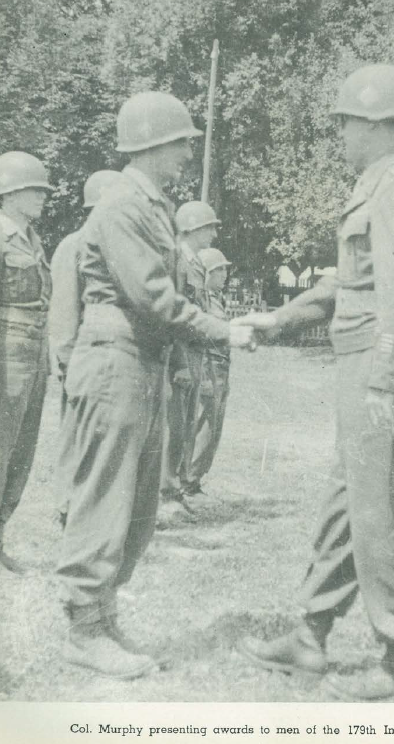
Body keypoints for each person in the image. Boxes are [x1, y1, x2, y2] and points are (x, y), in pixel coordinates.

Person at [234, 64, 394, 701]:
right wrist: (278, 318)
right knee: (347, 503)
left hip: (388, 373)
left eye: (347, 121)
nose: (342, 133)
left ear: (379, 124)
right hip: (365, 367)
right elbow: (350, 284)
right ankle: (309, 634)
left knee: (380, 508)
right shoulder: (375, 184)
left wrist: (383, 382)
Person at [55, 91, 254, 680]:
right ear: (151, 146)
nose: (190, 151)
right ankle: (83, 629)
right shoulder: (122, 206)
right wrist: (222, 329)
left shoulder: (152, 204)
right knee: (105, 498)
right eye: (182, 141)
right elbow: (153, 297)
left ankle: (104, 616)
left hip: (143, 362)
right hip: (115, 359)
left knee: (139, 506)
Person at [50, 170, 125, 527]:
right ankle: (67, 505)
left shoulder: (116, 247)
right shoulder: (74, 245)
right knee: (75, 435)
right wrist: (68, 361)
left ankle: (94, 508)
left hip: (111, 360)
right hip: (82, 358)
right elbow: (65, 310)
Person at [0, 151, 54, 574]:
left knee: (22, 446)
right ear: (13, 192)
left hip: (34, 348)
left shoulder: (31, 237)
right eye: (37, 190)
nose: (43, 198)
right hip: (8, 348)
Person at [158, 200, 222, 527]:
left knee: (183, 428)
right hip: (180, 356)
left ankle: (177, 489)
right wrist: (181, 362)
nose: (213, 233)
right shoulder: (178, 261)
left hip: (196, 354)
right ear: (193, 228)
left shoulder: (194, 263)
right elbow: (176, 317)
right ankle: (166, 495)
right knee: (175, 427)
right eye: (209, 227)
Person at [185, 247, 232, 492]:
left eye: (224, 269)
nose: (224, 274)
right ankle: (188, 481)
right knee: (203, 423)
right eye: (219, 270)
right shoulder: (201, 302)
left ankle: (196, 479)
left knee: (214, 425)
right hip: (209, 364)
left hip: (221, 366)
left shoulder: (216, 299)